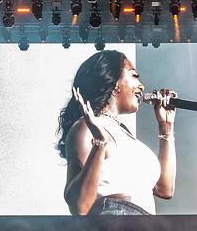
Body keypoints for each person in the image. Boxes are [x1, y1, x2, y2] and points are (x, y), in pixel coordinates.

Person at [57, 49, 177, 215]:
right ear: (113, 82)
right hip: (116, 227)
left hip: (147, 229)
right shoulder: (86, 128)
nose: (141, 86)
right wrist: (100, 143)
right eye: (134, 76)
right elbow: (79, 206)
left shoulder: (125, 134)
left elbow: (164, 189)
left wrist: (166, 127)